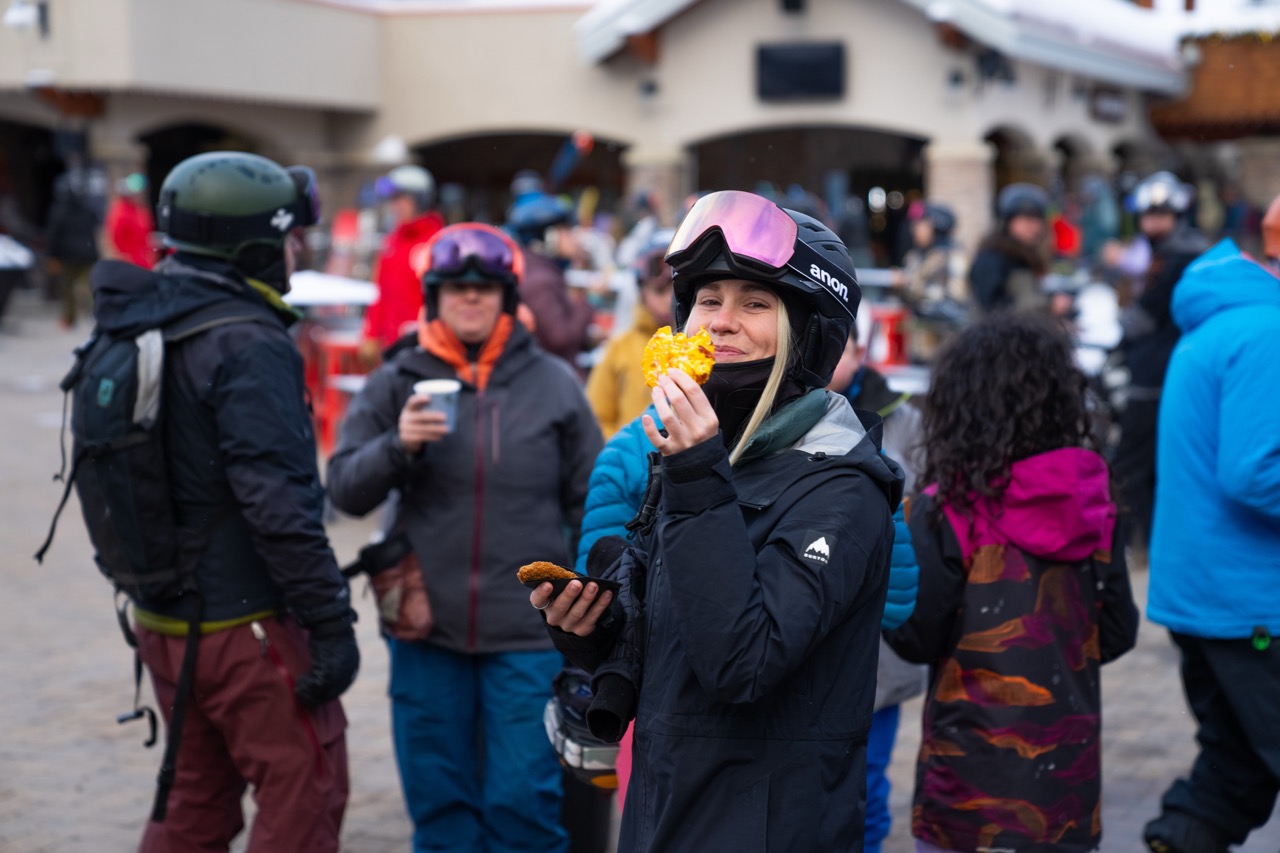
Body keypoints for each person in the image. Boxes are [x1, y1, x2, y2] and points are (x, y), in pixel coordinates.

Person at [531, 189, 903, 852]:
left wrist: (697, 474)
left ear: (808, 328)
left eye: (755, 303)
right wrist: (596, 630)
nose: (720, 322)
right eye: (708, 299)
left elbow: (742, 662)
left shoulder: (842, 485)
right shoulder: (689, 456)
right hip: (665, 814)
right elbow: (678, 647)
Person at [326, 222, 603, 853]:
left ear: (507, 297)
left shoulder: (554, 382)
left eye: (484, 288)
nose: (470, 298)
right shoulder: (396, 379)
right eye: (456, 288)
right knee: (441, 806)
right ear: (434, 298)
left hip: (527, 632)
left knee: (522, 803)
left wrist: (590, 603)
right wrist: (398, 446)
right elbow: (342, 489)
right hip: (425, 626)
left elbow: (592, 501)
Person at [108, 151, 358, 851]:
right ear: (254, 245)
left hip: (161, 616)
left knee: (194, 796)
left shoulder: (145, 316)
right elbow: (278, 505)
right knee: (304, 790)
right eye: (287, 235)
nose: (295, 249)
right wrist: (330, 623)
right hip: (243, 625)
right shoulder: (246, 341)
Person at [885, 310, 1139, 853]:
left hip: (968, 800)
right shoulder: (1095, 504)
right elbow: (1115, 634)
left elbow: (915, 636)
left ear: (959, 407)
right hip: (1065, 798)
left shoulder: (944, 511)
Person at [1140, 201, 1280, 853]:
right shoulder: (1267, 328)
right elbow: (1256, 471)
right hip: (1252, 606)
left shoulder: (1222, 320)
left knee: (1233, 773)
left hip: (1212, 600)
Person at [827, 320, 927, 853]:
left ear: (862, 351)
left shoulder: (905, 419)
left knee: (866, 784)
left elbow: (920, 509)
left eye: (844, 347)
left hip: (881, 642)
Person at [1111, 170, 1208, 559]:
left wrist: (1112, 327)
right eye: (1148, 215)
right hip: (1162, 365)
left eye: (1162, 214)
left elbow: (1150, 314)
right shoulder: (1168, 251)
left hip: (1160, 370)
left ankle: (1141, 542)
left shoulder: (1180, 255)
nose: (1153, 222)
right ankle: (1149, 540)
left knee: (1136, 461)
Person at [584, 239, 674, 438]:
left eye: (675, 289)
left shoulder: (697, 347)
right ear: (642, 292)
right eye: (659, 291)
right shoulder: (619, 347)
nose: (669, 299)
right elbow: (596, 418)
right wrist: (623, 456)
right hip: (631, 464)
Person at [359, 164, 445, 364]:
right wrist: (370, 334)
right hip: (392, 346)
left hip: (425, 345)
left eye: (400, 199)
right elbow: (382, 292)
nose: (394, 206)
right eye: (391, 200)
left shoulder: (438, 242)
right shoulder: (393, 241)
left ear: (420, 200)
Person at [506, 187, 595, 371]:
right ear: (549, 237)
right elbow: (559, 337)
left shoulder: (536, 268)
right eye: (567, 231)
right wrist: (585, 302)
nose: (574, 238)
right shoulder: (540, 280)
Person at [892, 200, 968, 362]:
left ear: (937, 227)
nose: (915, 229)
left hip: (943, 349)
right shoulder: (915, 256)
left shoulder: (953, 257)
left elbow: (952, 302)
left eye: (921, 224)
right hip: (916, 345)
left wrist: (910, 288)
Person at [968, 182, 1049, 315]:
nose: (1033, 227)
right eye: (1026, 219)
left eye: (1037, 220)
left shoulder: (1023, 255)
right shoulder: (993, 257)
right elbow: (990, 308)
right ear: (1008, 221)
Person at [45, 153, 107, 328]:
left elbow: (53, 234)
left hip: (67, 256)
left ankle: (69, 317)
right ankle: (94, 314)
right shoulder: (85, 208)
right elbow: (95, 225)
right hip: (87, 253)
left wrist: (51, 256)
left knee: (67, 288)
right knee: (88, 285)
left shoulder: (58, 211)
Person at [105, 172, 157, 270]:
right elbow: (116, 239)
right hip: (131, 266)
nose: (139, 194)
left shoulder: (139, 209)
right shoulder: (120, 212)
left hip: (145, 263)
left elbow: (146, 233)